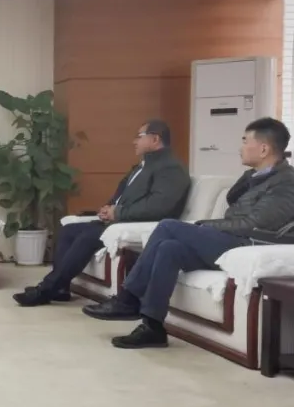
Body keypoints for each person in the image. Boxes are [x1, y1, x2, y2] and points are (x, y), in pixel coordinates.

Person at [84, 117, 294, 349]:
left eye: (245, 141)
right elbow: (233, 201)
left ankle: (127, 299)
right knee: (169, 249)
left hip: (249, 243)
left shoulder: (286, 182)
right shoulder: (256, 176)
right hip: (233, 238)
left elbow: (253, 225)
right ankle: (152, 327)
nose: (240, 147)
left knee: (168, 226)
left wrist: (205, 225)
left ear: (263, 149)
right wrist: (251, 177)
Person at [14, 119, 190, 307]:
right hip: (120, 219)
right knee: (68, 230)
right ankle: (61, 288)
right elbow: (123, 195)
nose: (134, 141)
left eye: (139, 136)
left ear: (155, 139)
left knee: (88, 236)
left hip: (136, 224)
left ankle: (46, 289)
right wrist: (109, 207)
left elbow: (158, 206)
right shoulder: (144, 166)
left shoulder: (171, 168)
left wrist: (119, 213)